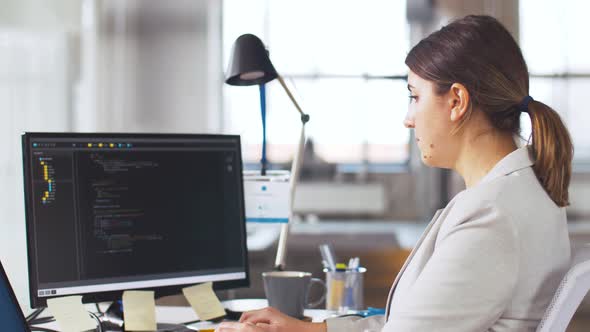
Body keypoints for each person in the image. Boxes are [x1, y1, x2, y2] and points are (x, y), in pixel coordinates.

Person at [216, 15, 573, 332]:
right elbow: (414, 322)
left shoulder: (490, 216)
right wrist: (307, 331)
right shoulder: (524, 192)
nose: (408, 118)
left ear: (456, 102)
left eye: (414, 96)